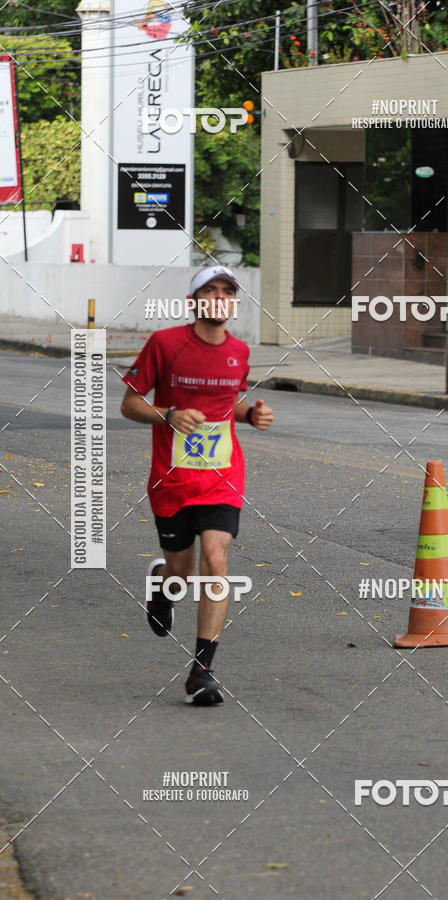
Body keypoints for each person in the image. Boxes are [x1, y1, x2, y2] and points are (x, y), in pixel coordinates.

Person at [120, 266, 274, 705]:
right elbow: (131, 403)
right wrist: (169, 414)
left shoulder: (239, 351)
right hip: (171, 481)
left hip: (223, 477)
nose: (221, 297)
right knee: (181, 574)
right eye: (211, 290)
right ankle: (161, 586)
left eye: (229, 291)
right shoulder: (165, 344)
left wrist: (250, 415)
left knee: (216, 557)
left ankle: (201, 672)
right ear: (194, 300)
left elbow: (231, 402)